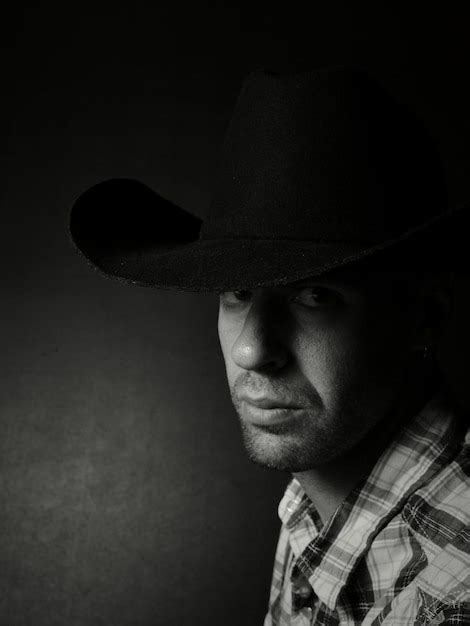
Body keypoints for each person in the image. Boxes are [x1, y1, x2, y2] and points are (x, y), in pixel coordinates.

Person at [70, 67, 470, 624]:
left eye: (314, 295)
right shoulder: (315, 507)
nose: (252, 351)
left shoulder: (452, 598)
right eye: (237, 292)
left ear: (423, 317)